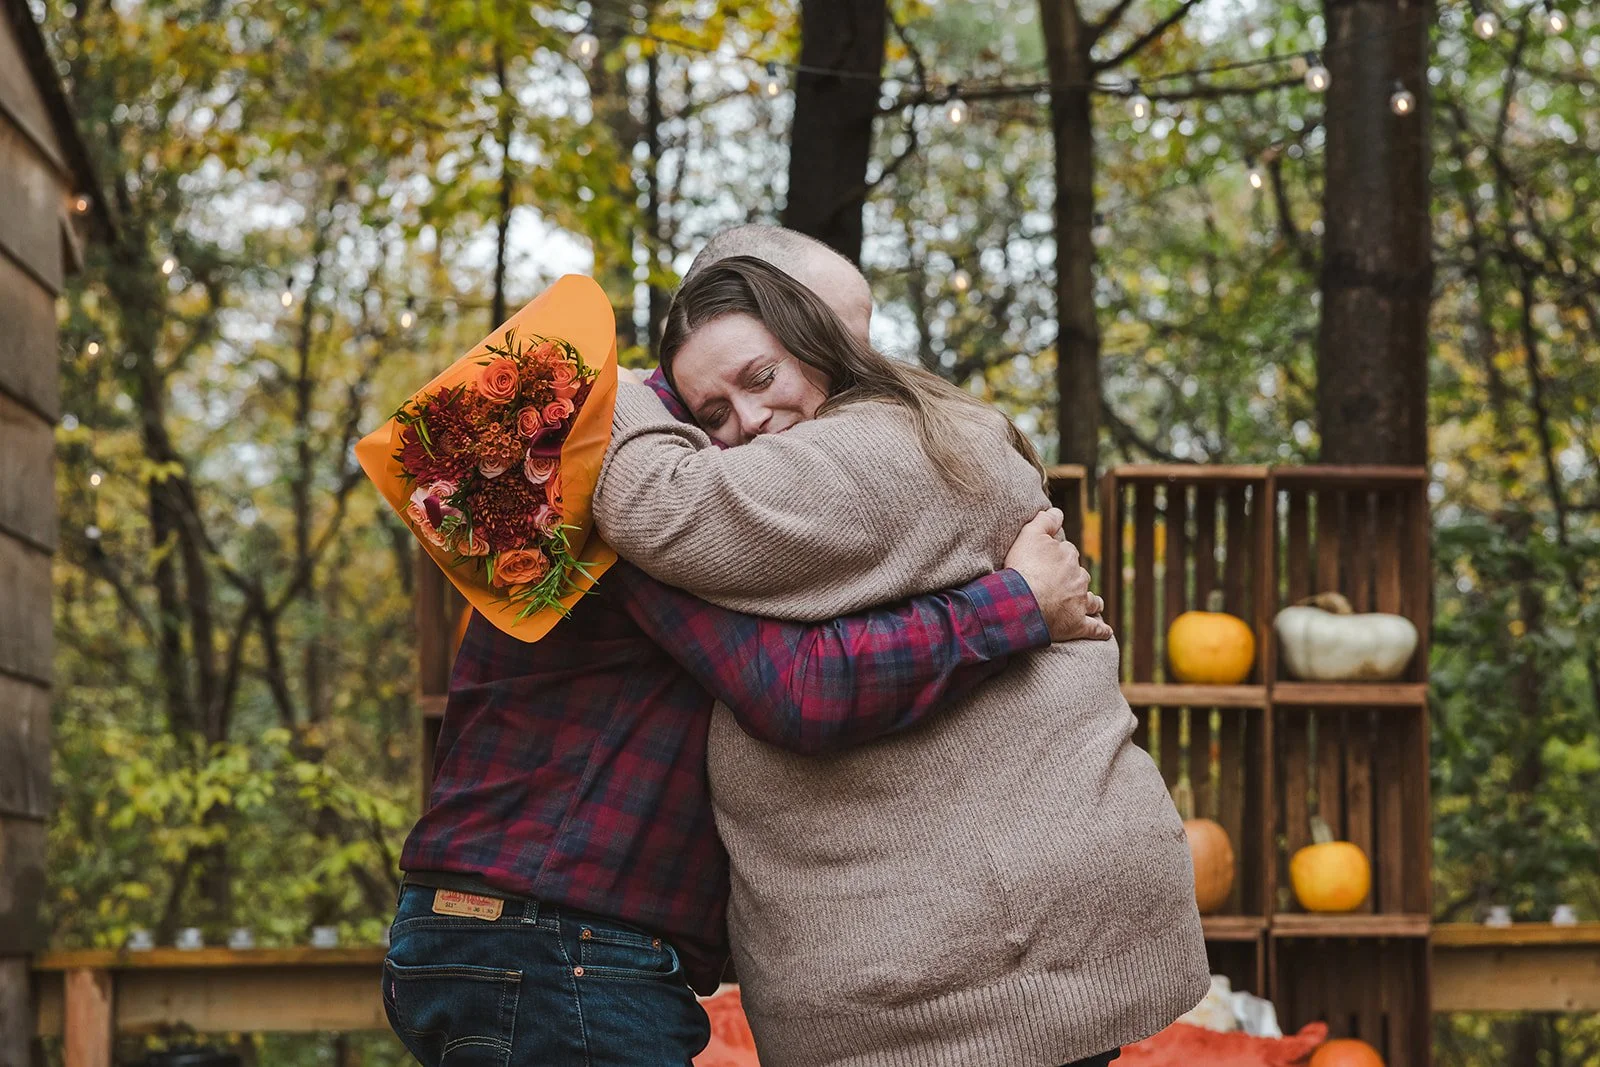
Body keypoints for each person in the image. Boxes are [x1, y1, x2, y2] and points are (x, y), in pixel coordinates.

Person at [380, 277, 1111, 1064]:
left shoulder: (696, 483)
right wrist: (1018, 602)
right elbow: (802, 688)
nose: (750, 422)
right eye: (721, 406)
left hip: (514, 935)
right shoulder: (632, 491)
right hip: (552, 942)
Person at [594, 247, 1209, 1067]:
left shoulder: (885, 449)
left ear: (813, 339)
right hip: (994, 948)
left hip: (995, 957)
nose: (747, 418)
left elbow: (657, 505)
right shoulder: (897, 439)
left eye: (760, 375)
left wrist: (619, 400)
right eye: (711, 412)